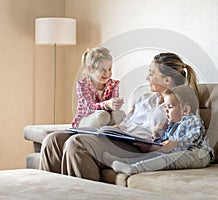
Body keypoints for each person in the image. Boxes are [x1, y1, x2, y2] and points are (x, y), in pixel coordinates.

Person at [39, 52, 203, 181]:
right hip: (120, 137)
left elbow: (184, 137)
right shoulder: (144, 98)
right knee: (53, 140)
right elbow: (126, 122)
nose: (147, 78)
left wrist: (158, 141)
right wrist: (116, 128)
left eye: (152, 74)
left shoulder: (180, 105)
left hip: (138, 148)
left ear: (167, 80)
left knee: (77, 144)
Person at [104, 85, 214, 175]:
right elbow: (165, 143)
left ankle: (135, 168)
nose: (166, 111)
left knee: (167, 160)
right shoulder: (172, 125)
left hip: (198, 154)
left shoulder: (192, 120)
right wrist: (155, 137)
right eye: (165, 107)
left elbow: (193, 136)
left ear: (185, 110)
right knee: (156, 155)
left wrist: (176, 143)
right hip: (179, 153)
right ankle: (122, 162)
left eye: (170, 107)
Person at [72, 47, 125, 129]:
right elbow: (89, 108)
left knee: (120, 114)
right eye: (102, 69)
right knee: (102, 115)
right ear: (90, 69)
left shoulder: (113, 84)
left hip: (105, 118)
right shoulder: (83, 85)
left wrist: (115, 104)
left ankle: (108, 131)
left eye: (109, 69)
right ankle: (105, 130)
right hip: (87, 119)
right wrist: (106, 104)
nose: (107, 73)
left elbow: (113, 110)